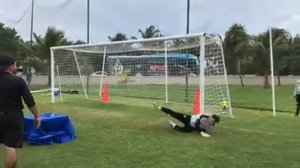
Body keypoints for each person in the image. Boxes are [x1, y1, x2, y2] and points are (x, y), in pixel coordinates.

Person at [0, 55, 41, 168]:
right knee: (11, 147)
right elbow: (29, 101)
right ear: (10, 65)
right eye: (15, 64)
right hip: (13, 117)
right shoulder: (17, 81)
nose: (16, 67)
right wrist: (37, 116)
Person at [153, 102, 220, 137]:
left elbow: (207, 131)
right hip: (189, 118)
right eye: (211, 118)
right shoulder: (206, 117)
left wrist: (205, 131)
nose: (210, 119)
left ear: (213, 121)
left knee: (181, 130)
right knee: (174, 113)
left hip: (190, 127)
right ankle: (159, 107)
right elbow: (199, 121)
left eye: (212, 120)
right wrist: (202, 131)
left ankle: (172, 123)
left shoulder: (210, 126)